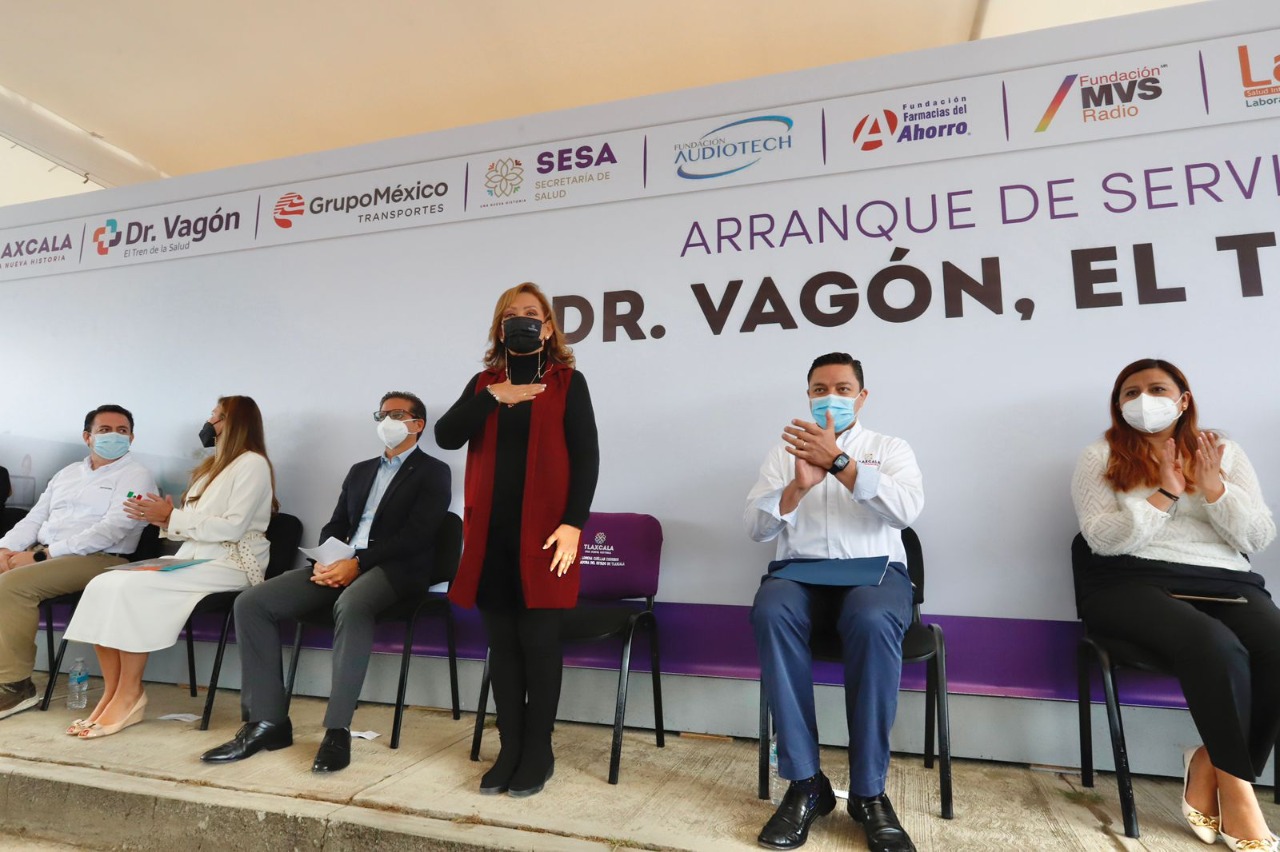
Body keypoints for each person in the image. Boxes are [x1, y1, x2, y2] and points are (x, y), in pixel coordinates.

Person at [1072, 358, 1280, 851]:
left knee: (1275, 644)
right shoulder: (1100, 456)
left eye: (1157, 389)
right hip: (1128, 580)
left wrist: (1213, 489)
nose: (1143, 399)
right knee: (1213, 643)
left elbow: (1257, 537)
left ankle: (1211, 761)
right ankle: (1239, 793)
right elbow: (1102, 540)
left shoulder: (1224, 452)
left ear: (1183, 399)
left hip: (1225, 578)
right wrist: (1166, 492)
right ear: (1118, 405)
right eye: (1130, 392)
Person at [201, 391, 451, 772]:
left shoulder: (434, 471)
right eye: (382, 414)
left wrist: (358, 563)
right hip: (342, 564)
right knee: (252, 603)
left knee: (351, 604)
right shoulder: (360, 471)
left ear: (417, 424)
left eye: (397, 414)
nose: (387, 421)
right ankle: (267, 722)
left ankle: (337, 729)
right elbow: (336, 524)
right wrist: (326, 559)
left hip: (396, 571)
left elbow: (418, 535)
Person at [747, 353, 923, 852]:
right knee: (771, 608)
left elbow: (906, 511)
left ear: (861, 397)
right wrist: (797, 487)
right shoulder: (784, 452)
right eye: (820, 389)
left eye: (843, 389)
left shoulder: (889, 448)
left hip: (875, 575)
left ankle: (869, 793)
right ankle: (806, 783)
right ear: (808, 395)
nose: (831, 398)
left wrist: (840, 464)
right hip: (802, 577)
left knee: (871, 618)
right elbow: (756, 528)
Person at [435, 281, 599, 798]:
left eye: (532, 313)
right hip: (490, 537)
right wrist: (492, 397)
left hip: (548, 537)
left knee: (540, 643)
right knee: (503, 647)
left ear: (547, 327)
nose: (521, 320)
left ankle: (538, 750)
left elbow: (587, 457)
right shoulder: (484, 382)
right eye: (511, 315)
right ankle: (509, 747)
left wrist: (574, 523)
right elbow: (445, 436)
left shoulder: (568, 382)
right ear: (500, 329)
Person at [63, 396, 277, 739]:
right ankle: (113, 692)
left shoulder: (252, 464)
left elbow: (233, 528)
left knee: (132, 588)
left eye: (216, 416)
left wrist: (171, 517)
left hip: (231, 562)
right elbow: (190, 524)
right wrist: (163, 518)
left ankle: (130, 694)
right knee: (104, 583)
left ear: (234, 423)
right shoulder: (210, 466)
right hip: (193, 557)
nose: (209, 422)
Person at [0, 405, 156, 719]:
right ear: (87, 437)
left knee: (13, 586)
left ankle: (16, 686)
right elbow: (35, 518)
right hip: (44, 553)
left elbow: (112, 529)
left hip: (99, 559)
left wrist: (42, 555)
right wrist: (5, 549)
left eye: (122, 431)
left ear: (132, 438)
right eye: (105, 430)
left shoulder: (136, 475)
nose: (114, 436)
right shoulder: (67, 473)